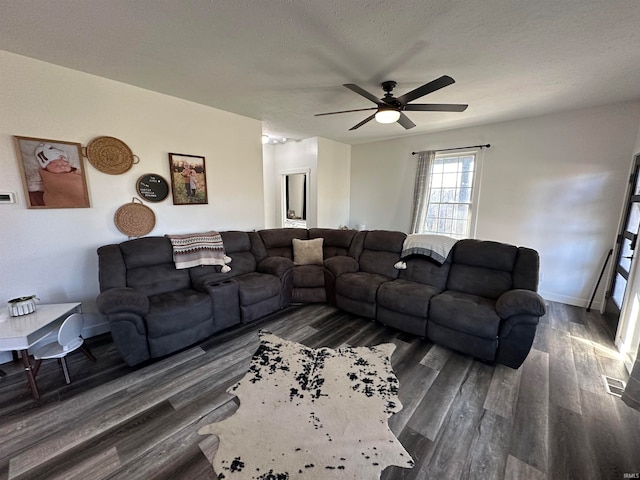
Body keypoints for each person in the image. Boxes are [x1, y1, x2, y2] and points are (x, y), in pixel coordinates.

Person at [34, 143, 88, 208]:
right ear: (46, 168)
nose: (62, 167)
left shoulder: (77, 173)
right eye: (56, 165)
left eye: (65, 164)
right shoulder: (51, 179)